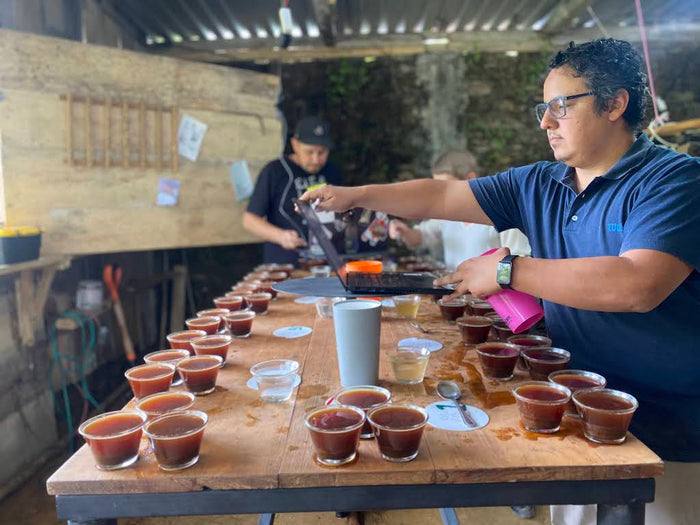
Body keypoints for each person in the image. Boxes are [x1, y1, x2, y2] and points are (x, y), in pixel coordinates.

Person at [301, 39, 700, 524]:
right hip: (572, 403)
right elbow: (442, 195)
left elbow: (638, 285)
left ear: (614, 103)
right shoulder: (540, 183)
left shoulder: (674, 181)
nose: (545, 122)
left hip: (668, 424)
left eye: (560, 106)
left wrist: (509, 271)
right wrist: (357, 194)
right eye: (543, 108)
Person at [389, 149, 531, 269]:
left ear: (470, 178)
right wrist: (404, 231)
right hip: (453, 297)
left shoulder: (502, 211)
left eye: (446, 187)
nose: (441, 194)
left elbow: (519, 263)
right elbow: (421, 237)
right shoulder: (446, 211)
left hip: (492, 299)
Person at [243, 116, 341, 266]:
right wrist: (281, 236)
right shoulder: (275, 171)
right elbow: (249, 220)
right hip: (285, 263)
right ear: (295, 144)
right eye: (309, 152)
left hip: (327, 262)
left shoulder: (332, 171)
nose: (316, 159)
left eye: (321, 152)